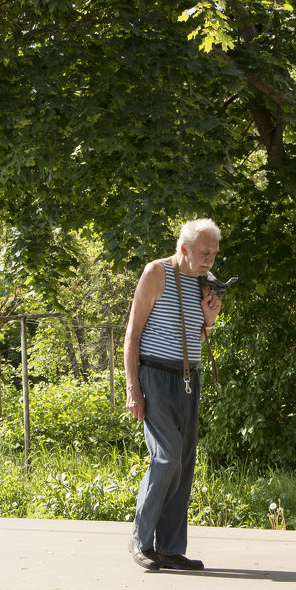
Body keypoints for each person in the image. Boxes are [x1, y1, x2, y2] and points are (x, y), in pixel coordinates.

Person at [123, 219, 223, 571]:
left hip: (188, 379)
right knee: (167, 456)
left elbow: (196, 337)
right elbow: (132, 335)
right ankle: (141, 539)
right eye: (204, 252)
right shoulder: (156, 273)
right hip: (153, 375)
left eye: (213, 253)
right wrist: (133, 388)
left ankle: (168, 547)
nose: (210, 259)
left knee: (184, 462)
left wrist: (209, 320)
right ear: (184, 249)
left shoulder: (204, 283)